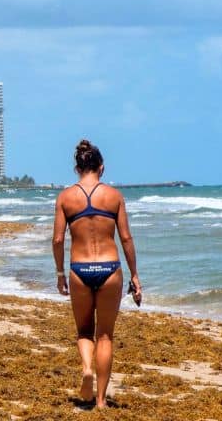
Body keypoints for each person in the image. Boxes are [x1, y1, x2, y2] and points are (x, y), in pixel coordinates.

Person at [52, 139, 141, 409]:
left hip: (79, 270)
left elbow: (58, 240)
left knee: (84, 331)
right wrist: (135, 275)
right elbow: (126, 238)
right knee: (105, 336)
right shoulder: (114, 196)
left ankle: (87, 369)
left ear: (77, 168)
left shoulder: (65, 197)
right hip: (109, 269)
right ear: (101, 167)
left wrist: (60, 273)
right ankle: (101, 401)